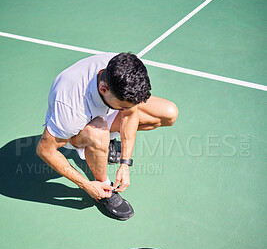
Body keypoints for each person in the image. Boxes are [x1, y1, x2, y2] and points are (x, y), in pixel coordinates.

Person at [37, 52, 178, 220]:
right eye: (123, 106)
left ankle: (106, 142)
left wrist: (125, 164)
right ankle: (103, 188)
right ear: (104, 89)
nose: (128, 108)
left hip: (105, 110)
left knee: (169, 113)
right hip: (76, 130)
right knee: (98, 133)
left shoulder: (118, 69)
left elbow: (130, 113)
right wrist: (86, 185)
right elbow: (45, 150)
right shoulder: (71, 111)